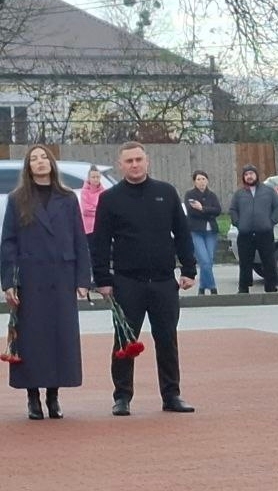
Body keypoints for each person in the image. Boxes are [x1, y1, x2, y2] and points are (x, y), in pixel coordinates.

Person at [90, 141, 197, 416]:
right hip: (127, 282)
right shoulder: (110, 199)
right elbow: (100, 242)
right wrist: (102, 279)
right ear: (120, 165)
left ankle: (171, 395)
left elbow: (182, 233)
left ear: (147, 161)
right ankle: (122, 396)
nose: (135, 165)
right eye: (129, 161)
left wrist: (189, 269)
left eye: (139, 159)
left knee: (167, 339)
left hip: (163, 281)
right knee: (124, 341)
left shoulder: (166, 192)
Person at [1, 144, 91, 420]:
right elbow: (8, 242)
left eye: (43, 157)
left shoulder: (68, 198)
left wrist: (83, 278)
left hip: (61, 277)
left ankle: (53, 395)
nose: (39, 162)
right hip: (30, 279)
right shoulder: (17, 199)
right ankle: (32, 397)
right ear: (28, 167)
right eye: (33, 159)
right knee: (31, 339)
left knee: (59, 336)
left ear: (52, 163)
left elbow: (79, 238)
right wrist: (8, 281)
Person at [227, 164, 278, 294]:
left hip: (265, 232)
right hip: (245, 234)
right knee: (245, 262)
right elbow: (233, 210)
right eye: (246, 174)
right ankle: (243, 288)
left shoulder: (268, 191)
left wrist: (271, 222)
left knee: (268, 261)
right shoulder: (239, 194)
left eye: (251, 174)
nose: (249, 176)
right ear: (243, 177)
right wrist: (238, 223)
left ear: (256, 175)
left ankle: (271, 287)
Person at [184, 170, 222, 295]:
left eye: (203, 179)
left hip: (211, 232)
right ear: (194, 182)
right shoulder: (190, 195)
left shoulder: (212, 195)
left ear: (207, 181)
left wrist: (202, 208)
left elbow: (217, 210)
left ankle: (202, 286)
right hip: (196, 231)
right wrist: (208, 211)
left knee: (209, 261)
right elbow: (191, 212)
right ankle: (212, 287)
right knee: (204, 261)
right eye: (198, 179)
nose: (201, 182)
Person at [80, 165, 105, 237]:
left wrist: (95, 209)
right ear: (89, 178)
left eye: (97, 177)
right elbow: (85, 210)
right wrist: (98, 210)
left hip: (101, 227)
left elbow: (105, 210)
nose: (96, 179)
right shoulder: (84, 192)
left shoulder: (103, 192)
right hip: (88, 229)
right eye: (93, 177)